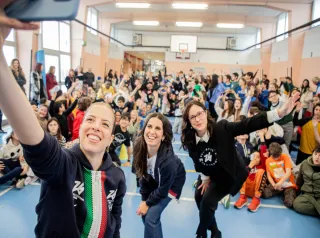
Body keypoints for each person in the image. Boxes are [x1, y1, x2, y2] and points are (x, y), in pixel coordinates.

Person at [0, 7, 126, 237]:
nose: (96, 126)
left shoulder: (117, 177)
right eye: (90, 119)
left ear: (110, 137)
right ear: (81, 127)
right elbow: (35, 143)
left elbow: (115, 219)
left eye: (105, 124)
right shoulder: (62, 164)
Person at [181, 93, 300, 238]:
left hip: (227, 174)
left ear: (205, 112)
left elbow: (248, 124)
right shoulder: (190, 138)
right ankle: (215, 231)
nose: (197, 119)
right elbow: (196, 159)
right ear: (188, 120)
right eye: (192, 117)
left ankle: (201, 233)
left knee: (207, 202)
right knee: (198, 196)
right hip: (210, 172)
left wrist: (279, 113)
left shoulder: (222, 128)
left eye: (199, 113)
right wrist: (205, 178)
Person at [133, 113, 186, 238]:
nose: (152, 131)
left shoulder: (168, 162)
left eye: (157, 128)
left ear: (163, 136)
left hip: (173, 183)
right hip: (155, 179)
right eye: (149, 126)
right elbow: (143, 176)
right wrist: (144, 200)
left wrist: (147, 203)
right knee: (145, 215)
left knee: (151, 217)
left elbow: (163, 191)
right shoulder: (139, 146)